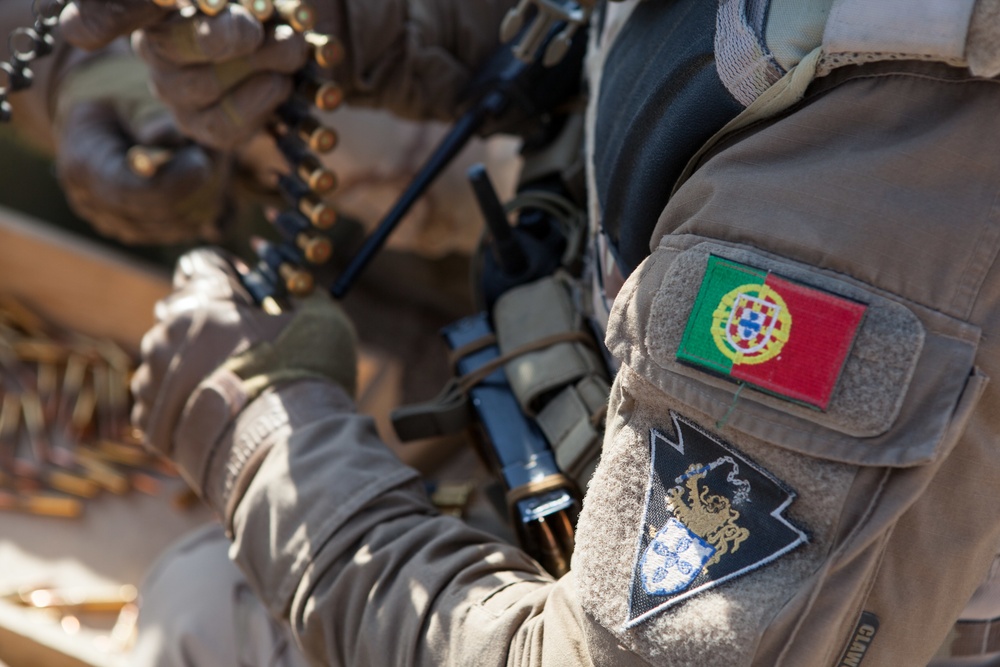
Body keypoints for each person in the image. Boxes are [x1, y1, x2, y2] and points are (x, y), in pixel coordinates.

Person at [43, 0, 1000, 665]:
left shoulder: (863, 211)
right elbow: (649, 35)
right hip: (602, 396)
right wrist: (334, 29)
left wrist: (258, 439)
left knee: (207, 612)